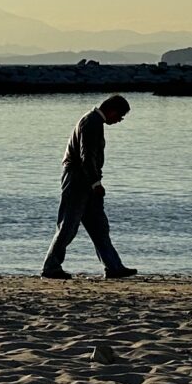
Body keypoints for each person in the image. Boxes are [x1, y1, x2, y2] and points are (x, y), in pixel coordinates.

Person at [43, 94, 137, 279]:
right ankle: (51, 267)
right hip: (79, 179)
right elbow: (87, 157)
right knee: (68, 226)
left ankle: (114, 266)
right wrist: (96, 183)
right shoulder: (91, 123)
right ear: (111, 111)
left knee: (99, 227)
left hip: (85, 178)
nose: (119, 120)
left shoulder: (92, 121)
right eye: (120, 116)